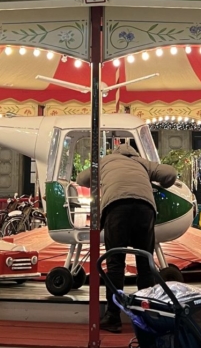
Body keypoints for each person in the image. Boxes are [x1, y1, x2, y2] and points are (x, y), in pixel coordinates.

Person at [76, 142, 177, 333]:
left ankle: (113, 317)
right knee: (145, 263)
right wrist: (159, 184)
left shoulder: (106, 160)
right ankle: (146, 316)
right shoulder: (142, 163)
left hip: (116, 207)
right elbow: (170, 173)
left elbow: (82, 178)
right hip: (145, 208)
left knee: (115, 263)